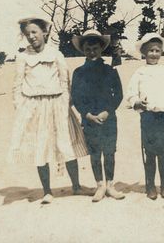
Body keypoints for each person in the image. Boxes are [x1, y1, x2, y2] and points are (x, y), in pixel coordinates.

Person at [7, 17, 90, 204]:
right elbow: (17, 85)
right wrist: (21, 107)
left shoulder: (56, 54)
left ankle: (76, 185)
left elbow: (64, 80)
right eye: (27, 34)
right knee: (41, 148)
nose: (31, 36)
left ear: (44, 32)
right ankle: (47, 191)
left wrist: (64, 103)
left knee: (65, 144)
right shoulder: (22, 57)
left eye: (35, 32)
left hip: (57, 104)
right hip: (35, 107)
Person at [126, 33, 164, 200]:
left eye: (157, 50)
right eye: (150, 50)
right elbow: (130, 93)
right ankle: (150, 186)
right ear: (144, 52)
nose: (154, 54)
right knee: (149, 153)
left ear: (162, 53)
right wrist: (137, 102)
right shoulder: (139, 72)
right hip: (148, 117)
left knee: (163, 153)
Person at [70, 29, 125, 203]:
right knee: (95, 153)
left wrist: (107, 111)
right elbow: (76, 97)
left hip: (109, 118)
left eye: (95, 48)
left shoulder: (110, 70)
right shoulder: (78, 73)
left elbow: (119, 94)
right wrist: (87, 115)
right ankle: (99, 185)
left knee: (109, 152)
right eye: (88, 49)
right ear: (83, 50)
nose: (92, 52)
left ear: (101, 49)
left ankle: (110, 184)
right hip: (90, 120)